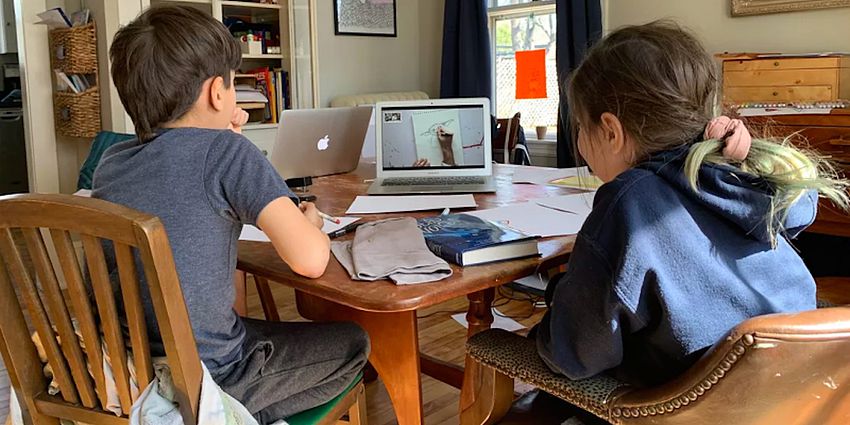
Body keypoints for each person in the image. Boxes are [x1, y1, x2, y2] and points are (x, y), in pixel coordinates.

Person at [536, 20, 849, 390]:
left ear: (610, 131)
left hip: (682, 409)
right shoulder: (747, 175)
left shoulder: (629, 201)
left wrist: (551, 314)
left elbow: (576, 354)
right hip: (797, 397)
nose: (581, 144)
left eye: (580, 128)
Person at [94, 5, 369, 423]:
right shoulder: (226, 153)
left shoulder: (111, 162)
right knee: (353, 344)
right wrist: (310, 223)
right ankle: (222, 416)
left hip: (131, 362)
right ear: (216, 93)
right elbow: (311, 261)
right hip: (208, 372)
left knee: (254, 329)